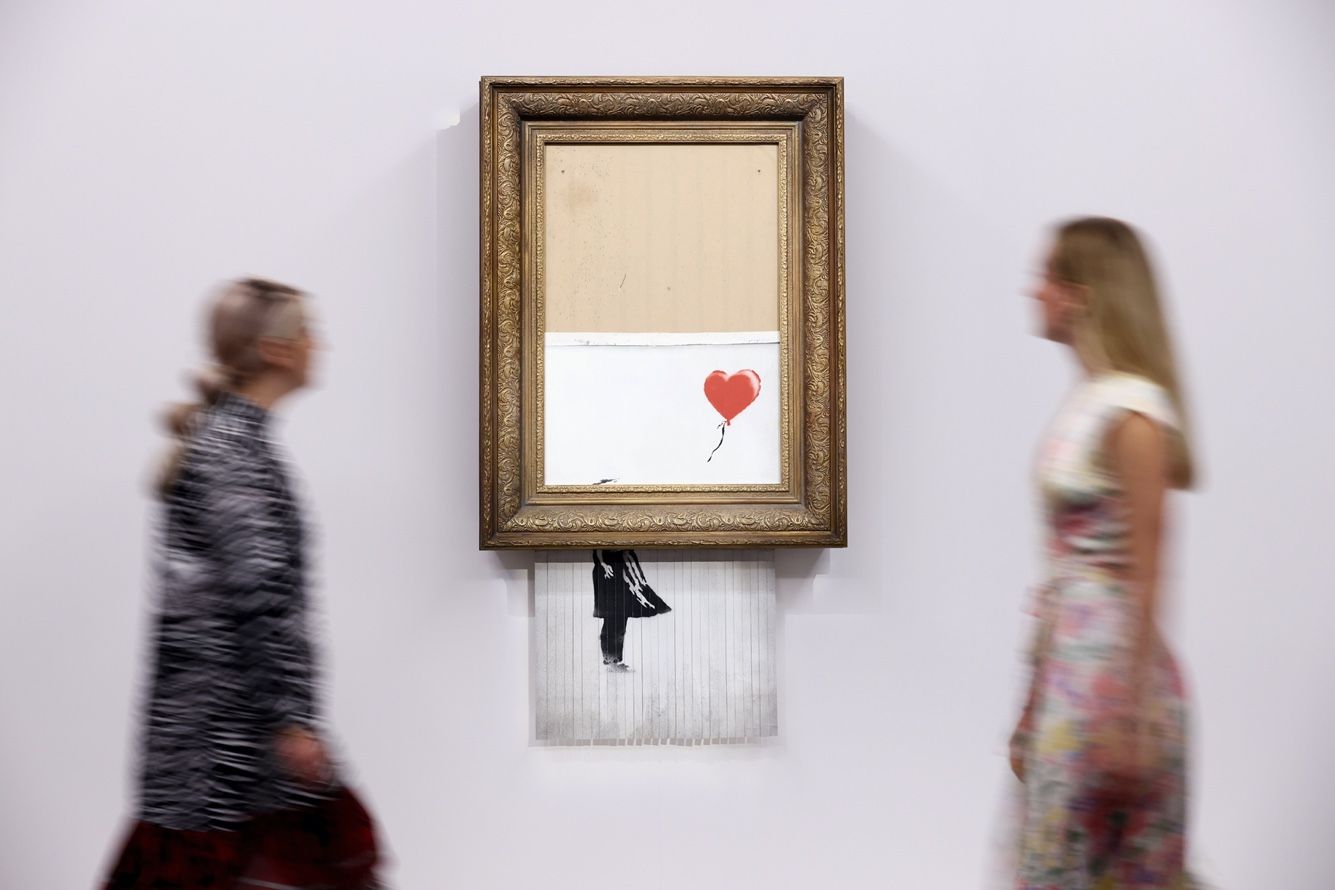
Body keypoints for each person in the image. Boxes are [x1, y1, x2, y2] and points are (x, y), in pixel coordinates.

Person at [101, 278, 383, 889]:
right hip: (225, 752)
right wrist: (292, 721)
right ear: (276, 350)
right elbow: (259, 598)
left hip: (220, 747)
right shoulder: (233, 454)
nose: (320, 344)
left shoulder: (229, 444)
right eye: (309, 331)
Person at [1009, 218, 1198, 888]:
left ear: (1080, 296)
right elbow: (1064, 575)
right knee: (1051, 865)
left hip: (1110, 684)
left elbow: (1149, 567)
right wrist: (1032, 705)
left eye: (1046, 277)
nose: (1033, 291)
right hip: (1072, 673)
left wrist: (1130, 711)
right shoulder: (1092, 404)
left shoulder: (1132, 415)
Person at [591, 549, 670, 671]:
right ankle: (611, 660)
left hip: (617, 571)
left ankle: (613, 660)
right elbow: (598, 547)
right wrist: (603, 564)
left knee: (620, 618)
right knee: (613, 618)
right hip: (609, 572)